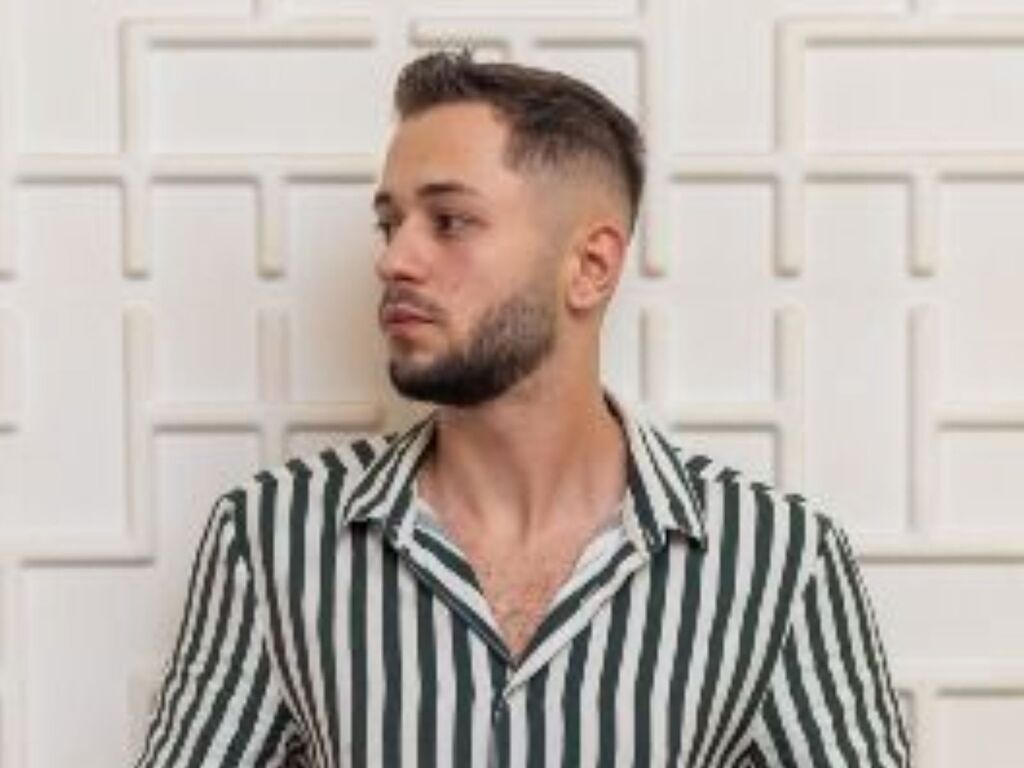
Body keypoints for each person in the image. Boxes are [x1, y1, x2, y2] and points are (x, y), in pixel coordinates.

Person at [134, 50, 911, 767]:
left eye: (449, 221)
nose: (394, 259)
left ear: (590, 266)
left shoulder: (781, 561)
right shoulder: (272, 536)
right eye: (390, 223)